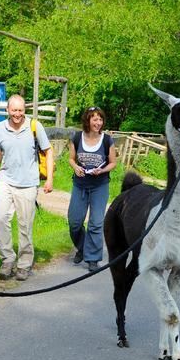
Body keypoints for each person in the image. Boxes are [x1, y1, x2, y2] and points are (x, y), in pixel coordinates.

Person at [0, 94, 54, 281]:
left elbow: (48, 151)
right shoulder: (0, 128)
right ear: (7, 110)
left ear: (25, 110)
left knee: (25, 225)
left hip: (28, 183)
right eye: (14, 110)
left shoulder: (34, 126)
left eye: (20, 110)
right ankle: (7, 259)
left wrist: (49, 179)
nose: (17, 114)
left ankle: (24, 264)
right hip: (5, 180)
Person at [68, 106, 117, 272]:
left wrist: (102, 170)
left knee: (96, 223)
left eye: (100, 119)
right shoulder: (76, 138)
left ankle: (93, 259)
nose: (98, 123)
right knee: (74, 222)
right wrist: (75, 167)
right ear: (87, 120)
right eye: (95, 119)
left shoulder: (107, 140)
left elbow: (113, 163)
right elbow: (71, 159)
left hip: (99, 186)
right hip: (80, 185)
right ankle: (82, 248)